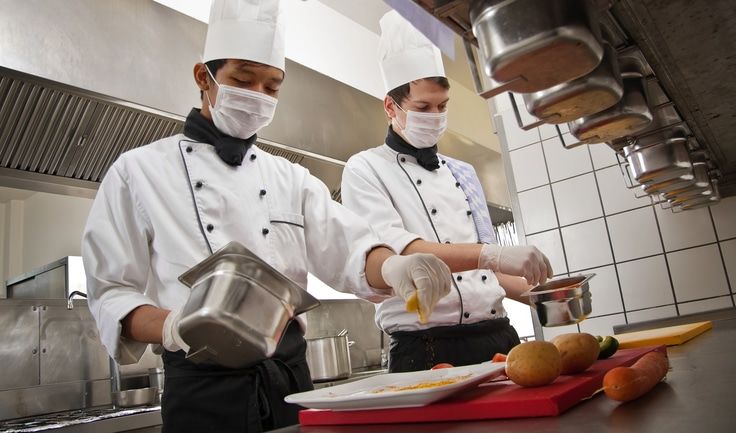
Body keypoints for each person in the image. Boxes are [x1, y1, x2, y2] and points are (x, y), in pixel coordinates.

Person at [81, 1, 452, 432]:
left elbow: (349, 246)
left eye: (272, 86)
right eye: (242, 80)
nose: (258, 95)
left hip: (291, 383)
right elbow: (111, 292)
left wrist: (394, 264)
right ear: (204, 77)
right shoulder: (138, 171)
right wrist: (171, 327)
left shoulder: (289, 178)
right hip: (201, 392)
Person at [340, 11, 553, 373]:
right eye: (423, 108)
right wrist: (494, 254)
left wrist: (548, 298)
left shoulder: (463, 172)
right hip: (426, 349)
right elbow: (405, 252)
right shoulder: (364, 168)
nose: (435, 116)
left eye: (442, 106)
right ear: (391, 107)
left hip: (499, 337)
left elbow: (490, 273)